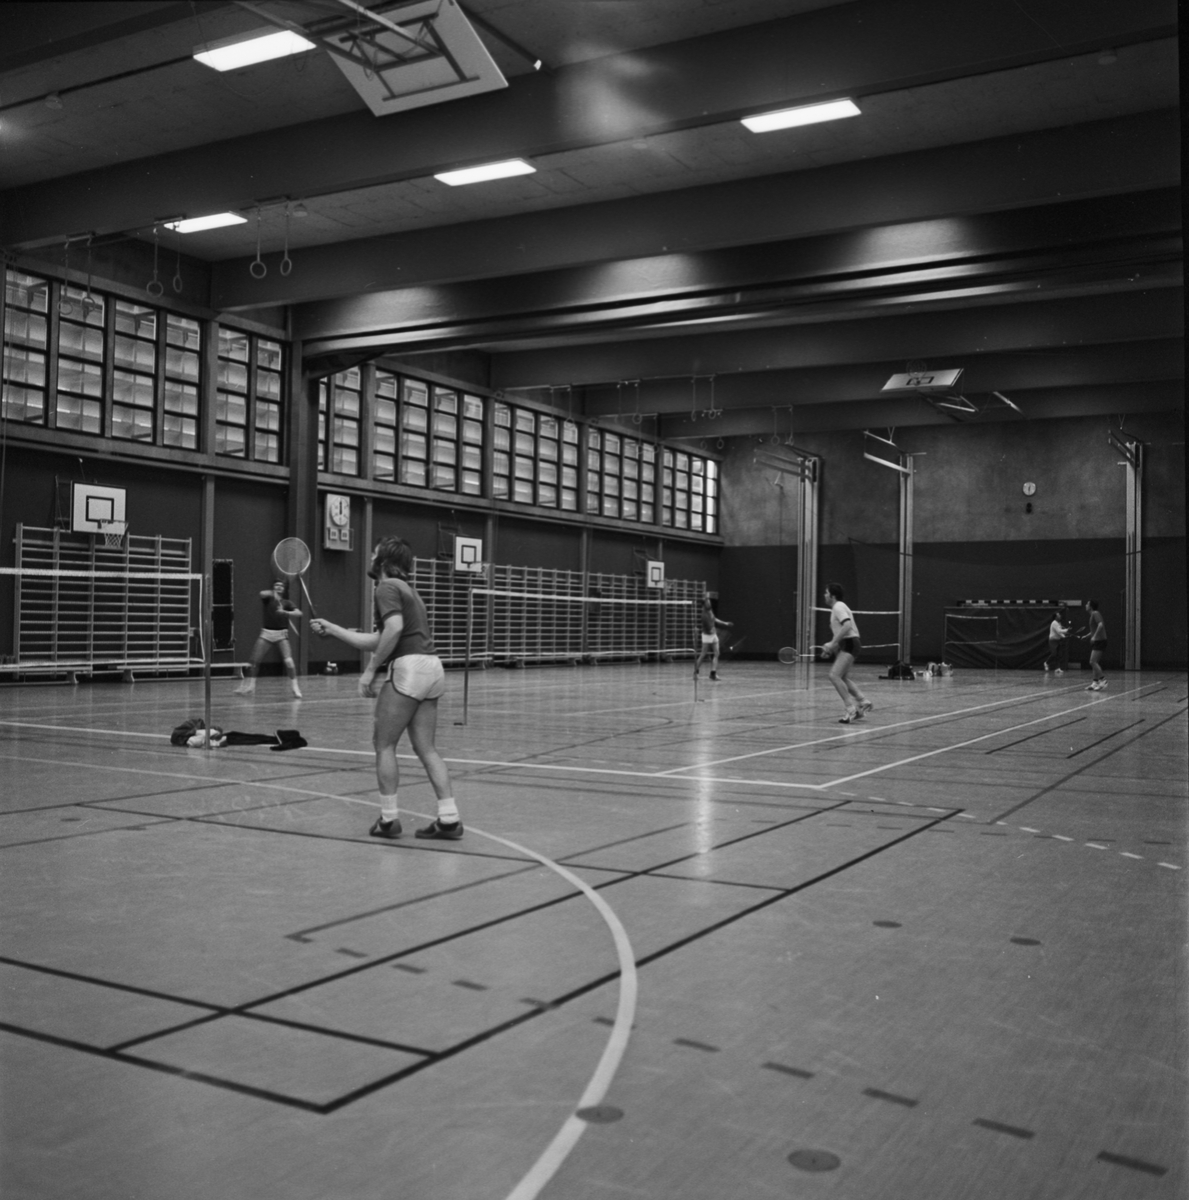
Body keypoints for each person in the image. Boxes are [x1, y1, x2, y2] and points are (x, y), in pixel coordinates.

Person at [311, 536, 462, 841]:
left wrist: (370, 671)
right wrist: (335, 630)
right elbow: (381, 638)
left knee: (384, 745)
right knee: (426, 748)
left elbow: (393, 630)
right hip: (432, 668)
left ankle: (389, 819)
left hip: (409, 669)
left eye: (374, 553)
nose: (370, 557)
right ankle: (449, 818)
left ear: (384, 561)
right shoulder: (408, 590)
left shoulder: (386, 587)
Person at [235, 580, 304, 698]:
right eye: (277, 585)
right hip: (266, 634)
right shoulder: (268, 600)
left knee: (289, 661)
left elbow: (299, 613)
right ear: (273, 587)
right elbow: (261, 593)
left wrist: (285, 612)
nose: (279, 587)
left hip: (281, 635)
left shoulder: (286, 603)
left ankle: (295, 687)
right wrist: (273, 593)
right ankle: (250, 687)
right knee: (254, 661)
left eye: (281, 586)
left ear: (284, 589)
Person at [822, 582, 872, 724]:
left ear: (833, 596)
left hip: (850, 643)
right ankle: (863, 701)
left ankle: (851, 708)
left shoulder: (838, 606)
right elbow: (840, 632)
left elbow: (847, 625)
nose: (824, 595)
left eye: (826, 593)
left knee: (834, 675)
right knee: (842, 677)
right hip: (848, 644)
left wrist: (832, 643)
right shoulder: (837, 608)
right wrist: (831, 647)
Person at [694, 594, 734, 681]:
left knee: (717, 653)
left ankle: (713, 674)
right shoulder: (704, 616)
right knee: (703, 655)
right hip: (707, 636)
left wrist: (725, 623)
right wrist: (720, 633)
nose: (709, 603)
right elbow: (709, 629)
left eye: (709, 602)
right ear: (704, 605)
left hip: (713, 635)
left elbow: (714, 619)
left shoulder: (710, 610)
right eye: (707, 602)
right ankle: (695, 672)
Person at [1082, 599, 1108, 691]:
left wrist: (1094, 637)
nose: (1086, 605)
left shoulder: (1095, 613)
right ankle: (1095, 683)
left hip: (1100, 641)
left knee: (1092, 662)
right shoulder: (1092, 615)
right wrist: (1087, 636)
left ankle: (1103, 680)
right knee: (1094, 662)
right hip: (1098, 640)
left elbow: (1100, 625)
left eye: (1087, 604)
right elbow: (1094, 629)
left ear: (1091, 606)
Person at [1043, 608, 1072, 676]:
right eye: (1058, 615)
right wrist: (1066, 630)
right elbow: (1059, 631)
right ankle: (1046, 663)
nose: (1060, 615)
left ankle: (1057, 668)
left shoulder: (1059, 623)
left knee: (1059, 655)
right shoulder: (1054, 623)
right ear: (1055, 617)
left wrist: (1064, 636)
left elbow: (1060, 633)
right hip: (1052, 641)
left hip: (1058, 640)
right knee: (1054, 654)